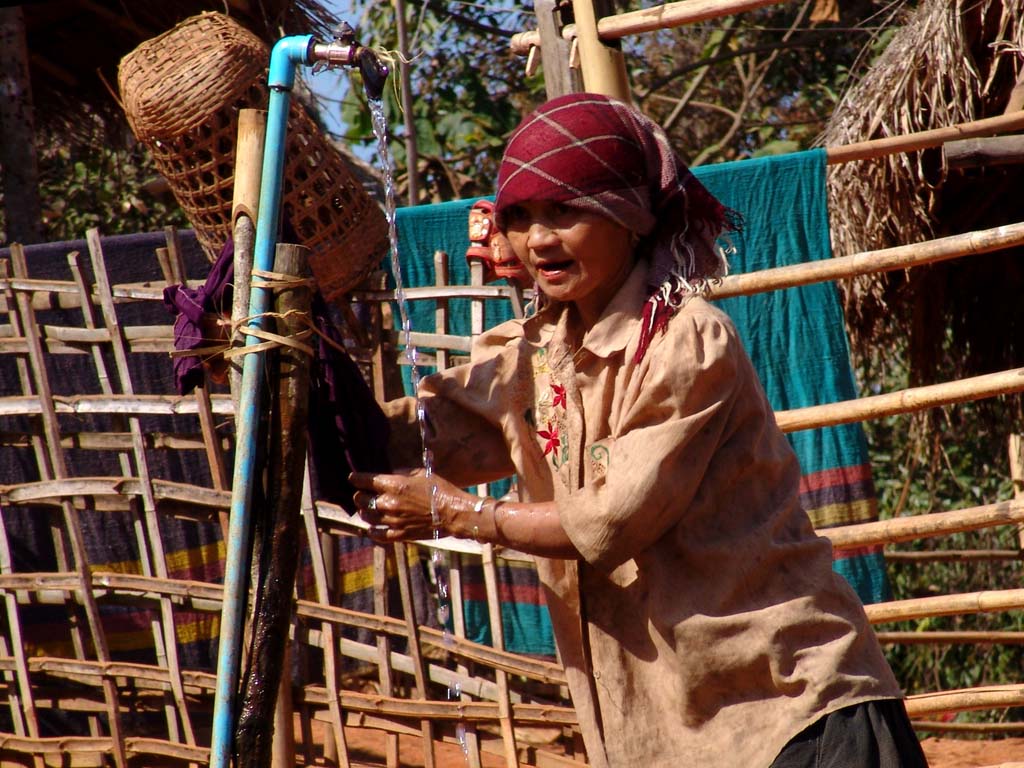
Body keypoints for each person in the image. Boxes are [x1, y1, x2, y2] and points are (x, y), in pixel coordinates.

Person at [350, 93, 928, 768]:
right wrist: (307, 362)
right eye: (522, 217)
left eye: (564, 211)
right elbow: (400, 447)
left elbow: (607, 523)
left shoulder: (685, 343)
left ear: (627, 216)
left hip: (794, 710)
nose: (538, 239)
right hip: (678, 728)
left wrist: (461, 513)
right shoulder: (524, 357)